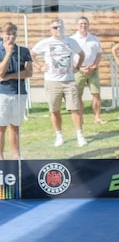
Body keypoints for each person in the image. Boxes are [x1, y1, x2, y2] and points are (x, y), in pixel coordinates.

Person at [31, 17, 88, 147]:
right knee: (54, 110)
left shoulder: (70, 41)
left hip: (69, 81)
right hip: (52, 82)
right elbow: (32, 54)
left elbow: (82, 54)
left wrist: (77, 67)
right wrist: (40, 67)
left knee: (75, 108)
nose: (58, 29)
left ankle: (80, 136)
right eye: (55, 27)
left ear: (64, 28)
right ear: (50, 30)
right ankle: (59, 136)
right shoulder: (45, 43)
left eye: (60, 27)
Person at [0, 22, 33, 160]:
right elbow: (1, 72)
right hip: (3, 93)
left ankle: (16, 155)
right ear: (1, 34)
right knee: (1, 126)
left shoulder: (24, 51)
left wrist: (10, 76)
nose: (11, 37)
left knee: (15, 125)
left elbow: (29, 72)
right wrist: (8, 54)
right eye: (8, 33)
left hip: (19, 93)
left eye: (14, 33)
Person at [71, 16, 106, 125]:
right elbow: (69, 57)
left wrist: (94, 65)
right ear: (77, 26)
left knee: (96, 94)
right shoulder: (72, 39)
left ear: (88, 25)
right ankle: (80, 118)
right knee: (78, 95)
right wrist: (79, 68)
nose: (83, 25)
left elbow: (99, 54)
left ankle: (97, 117)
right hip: (78, 71)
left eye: (85, 23)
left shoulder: (94, 38)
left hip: (93, 70)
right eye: (81, 24)